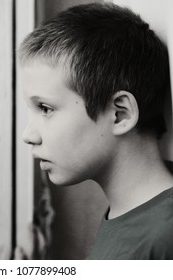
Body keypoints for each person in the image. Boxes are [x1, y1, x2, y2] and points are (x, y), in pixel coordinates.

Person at [18, 2, 173, 259]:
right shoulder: (132, 217)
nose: (28, 135)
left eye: (45, 108)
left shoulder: (162, 238)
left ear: (119, 114)